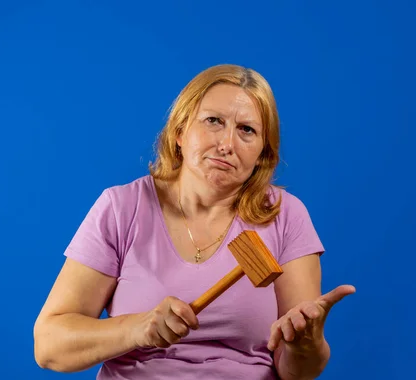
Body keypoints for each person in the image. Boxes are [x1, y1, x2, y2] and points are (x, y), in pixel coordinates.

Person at [33, 63, 355, 379]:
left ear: (262, 153)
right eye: (214, 121)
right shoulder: (122, 207)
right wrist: (137, 328)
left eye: (247, 130)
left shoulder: (286, 215)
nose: (227, 144)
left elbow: (299, 371)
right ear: (179, 133)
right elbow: (49, 346)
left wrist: (304, 344)